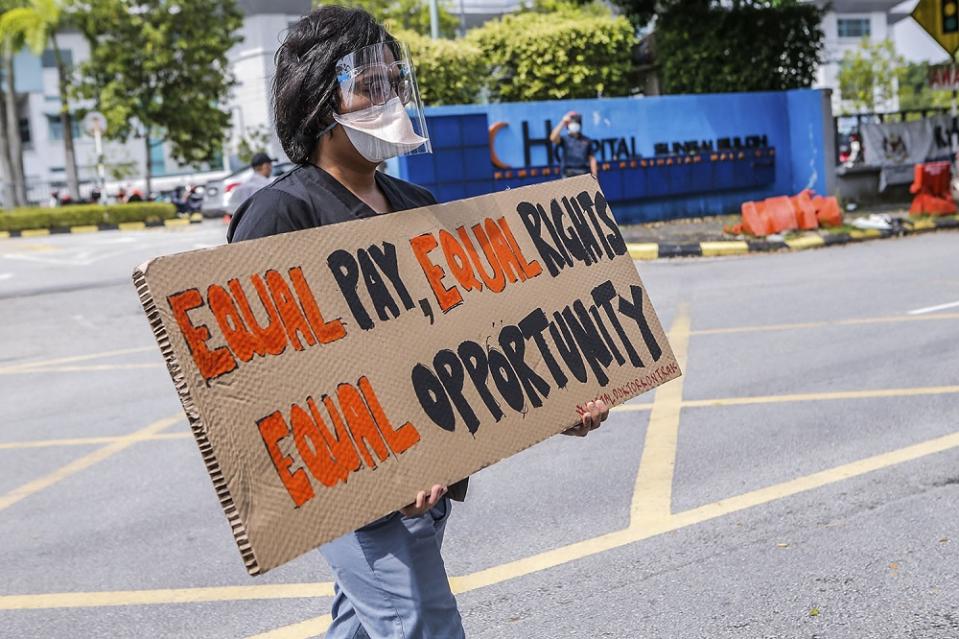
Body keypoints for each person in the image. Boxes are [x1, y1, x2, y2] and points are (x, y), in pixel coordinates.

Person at [227, 8, 609, 638]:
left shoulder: (418, 208)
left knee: (365, 623)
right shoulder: (279, 213)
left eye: (393, 83)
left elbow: (470, 341)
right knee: (420, 623)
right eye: (369, 85)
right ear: (321, 102)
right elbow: (264, 379)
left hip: (426, 479)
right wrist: (383, 472)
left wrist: (558, 405)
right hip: (353, 489)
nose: (390, 99)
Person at [549, 111, 598, 178]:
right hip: (568, 174)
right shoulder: (565, 139)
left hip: (584, 173)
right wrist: (563, 122)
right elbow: (553, 138)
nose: (574, 125)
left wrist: (594, 175)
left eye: (576, 123)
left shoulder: (587, 140)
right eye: (572, 123)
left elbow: (592, 158)